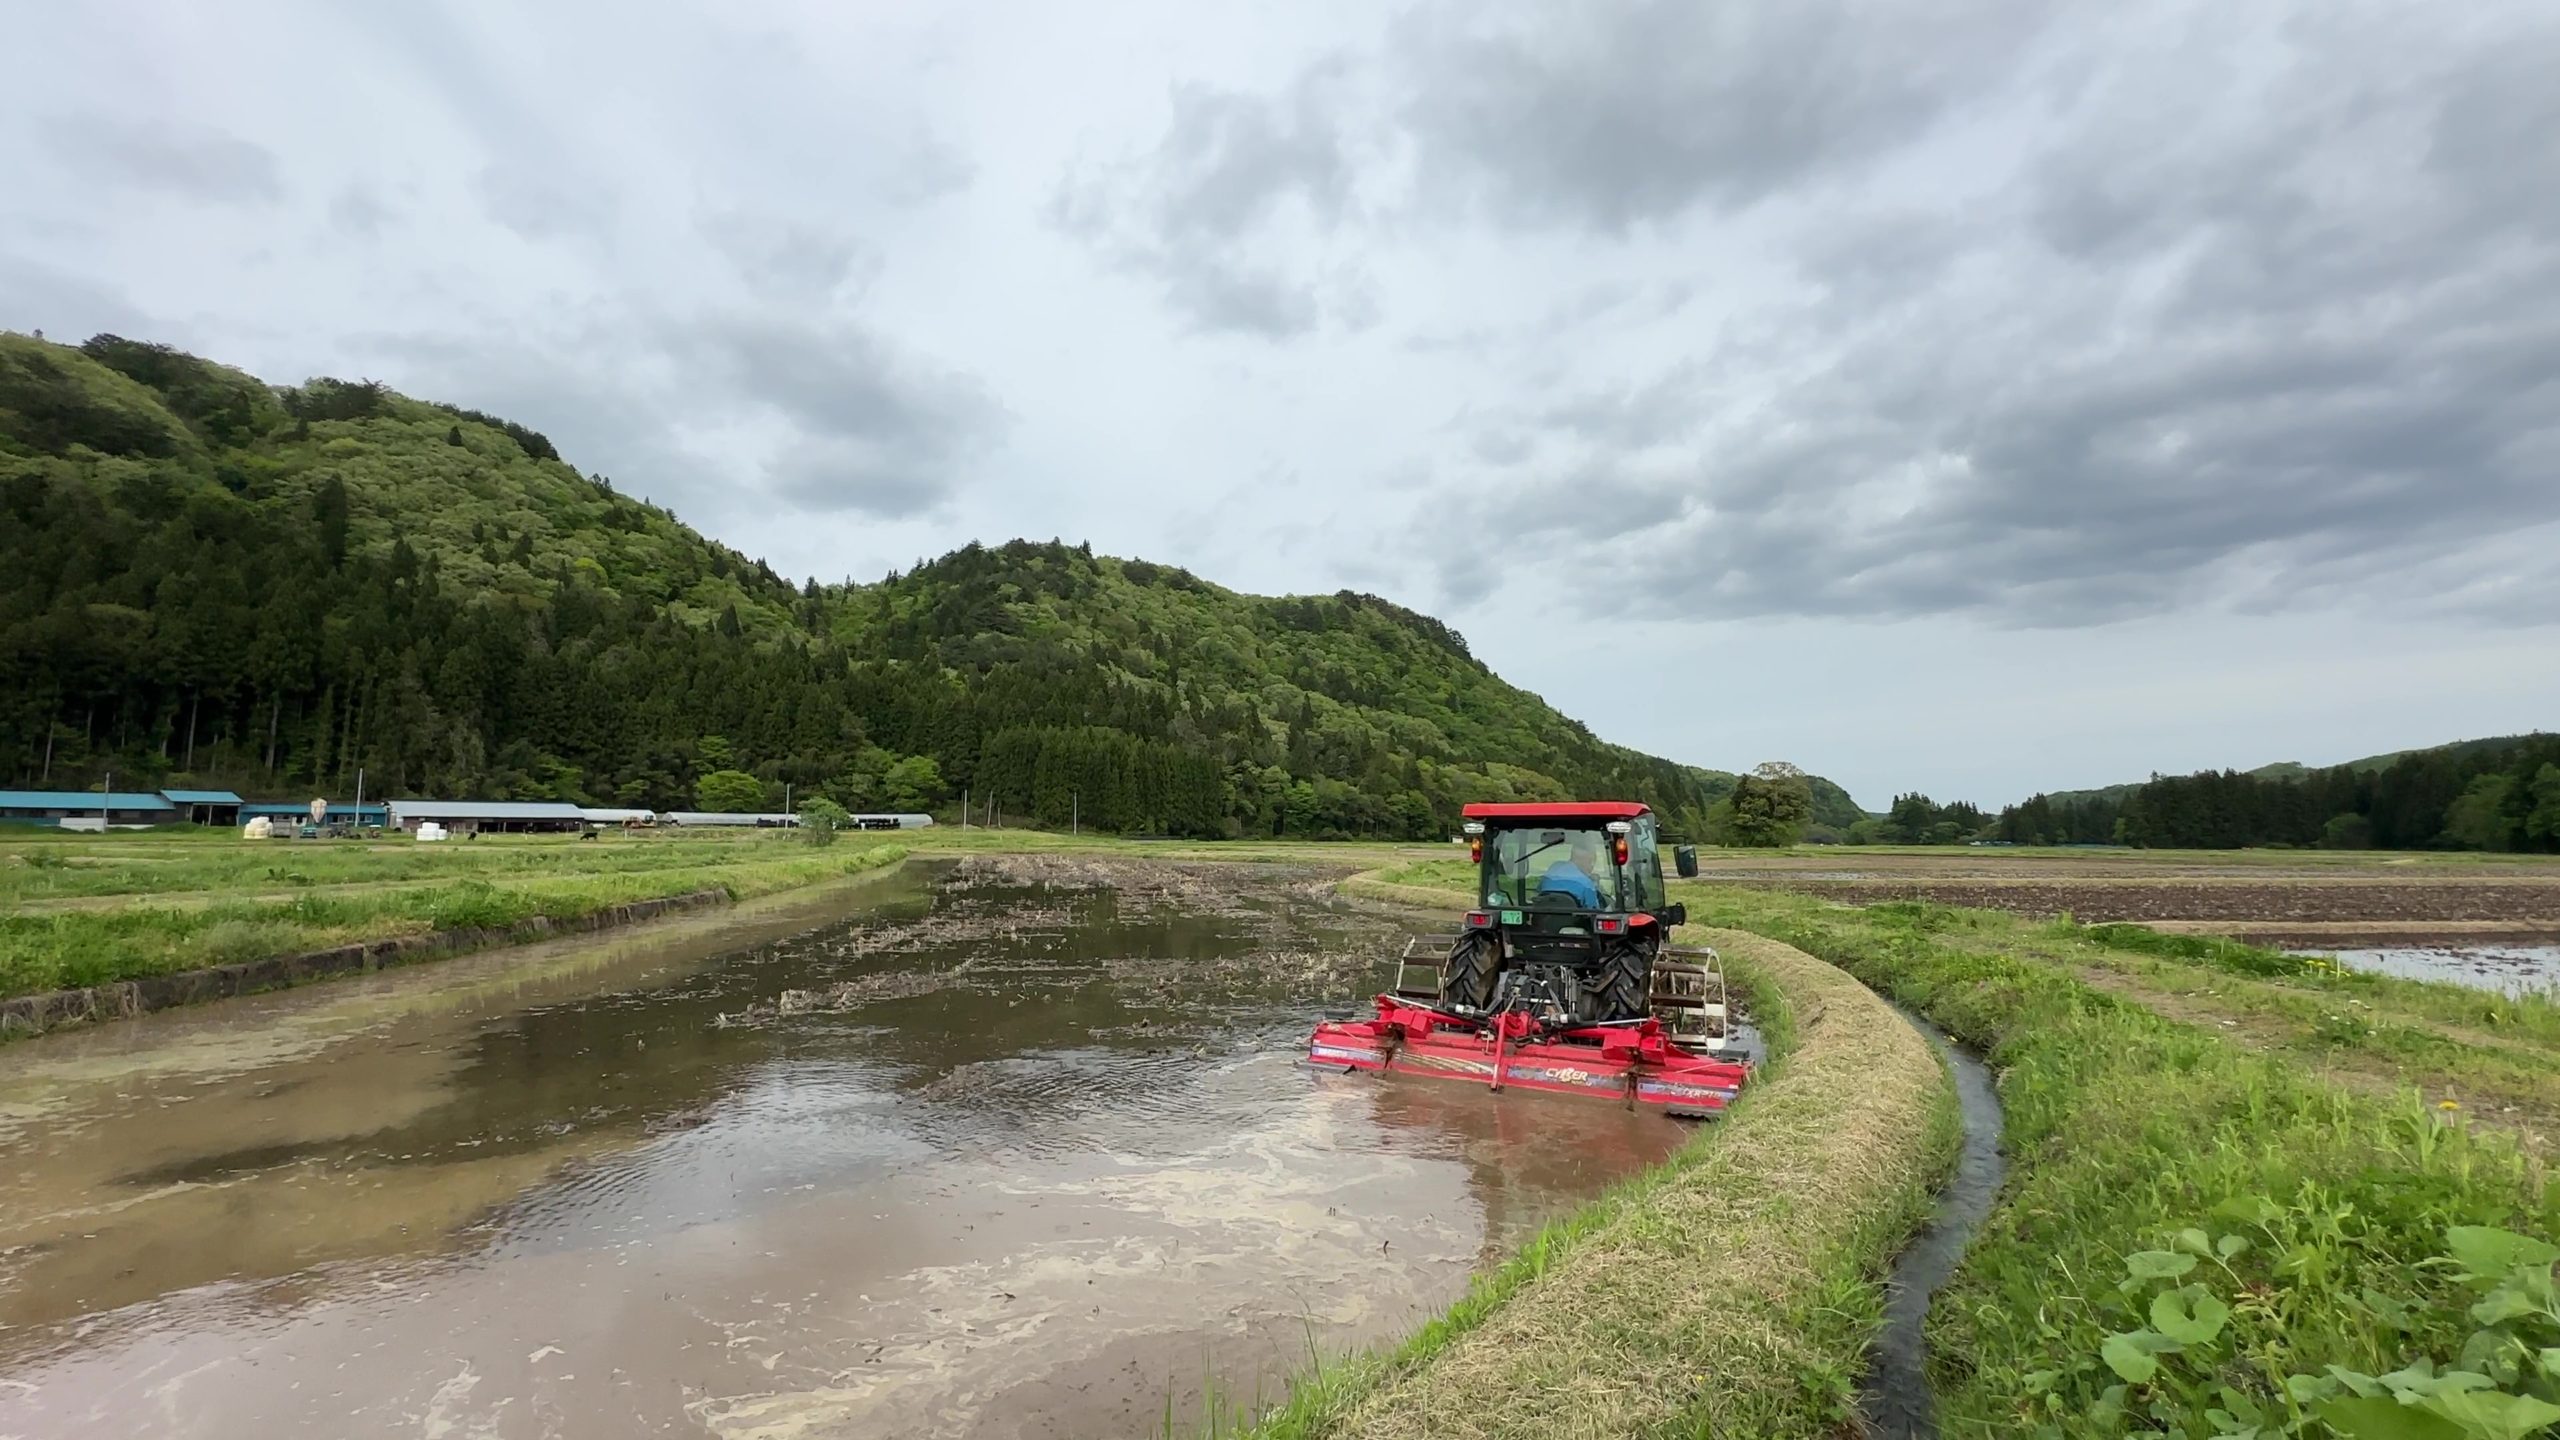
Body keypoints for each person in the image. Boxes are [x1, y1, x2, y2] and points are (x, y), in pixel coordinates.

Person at [1536, 834, 1607, 907]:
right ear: (1580, 859)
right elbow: (1594, 911)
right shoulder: (1587, 884)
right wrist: (1595, 885)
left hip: (1542, 917)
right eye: (1591, 861)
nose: (1592, 866)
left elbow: (1539, 890)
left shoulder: (1554, 867)